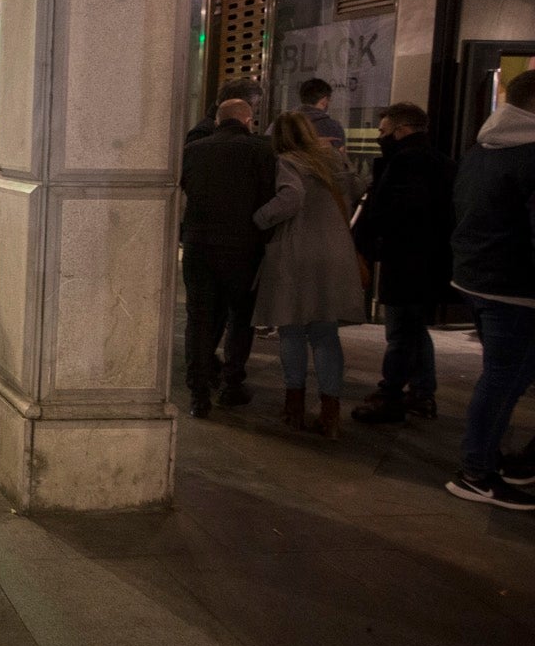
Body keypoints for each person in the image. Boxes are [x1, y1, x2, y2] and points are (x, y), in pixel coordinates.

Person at [444, 69, 535, 510]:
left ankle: (490, 461)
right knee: (504, 380)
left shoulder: (481, 148)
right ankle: (476, 472)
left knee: (504, 376)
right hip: (515, 286)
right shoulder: (530, 155)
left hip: (477, 277)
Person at [252, 111, 366, 438]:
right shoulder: (333, 159)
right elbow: (359, 188)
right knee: (325, 333)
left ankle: (294, 406)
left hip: (296, 252)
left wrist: (259, 218)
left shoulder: (286, 162)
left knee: (291, 330)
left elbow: (291, 198)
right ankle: (330, 413)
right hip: (335, 252)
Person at [350, 102, 455, 424]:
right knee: (415, 330)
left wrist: (372, 237)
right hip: (430, 261)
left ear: (401, 130)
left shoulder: (404, 163)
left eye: (384, 131)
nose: (380, 137)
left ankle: (391, 395)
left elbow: (393, 213)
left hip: (405, 261)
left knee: (399, 333)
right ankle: (421, 392)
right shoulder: (443, 162)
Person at [178, 98, 277, 418]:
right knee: (240, 316)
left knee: (200, 317)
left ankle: (198, 392)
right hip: (243, 247)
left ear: (218, 121)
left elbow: (186, 190)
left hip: (199, 245)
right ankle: (232, 383)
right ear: (248, 121)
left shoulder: (193, 150)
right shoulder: (262, 150)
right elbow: (269, 197)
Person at [295, 77, 347, 150]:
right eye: (329, 99)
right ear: (324, 101)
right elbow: (339, 154)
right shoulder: (332, 127)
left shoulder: (282, 123)